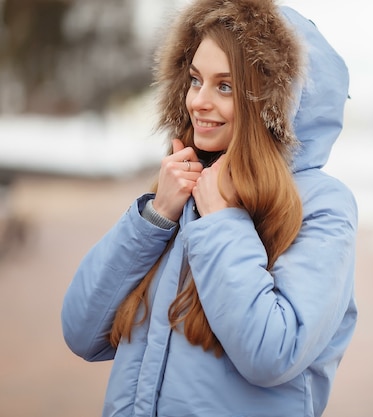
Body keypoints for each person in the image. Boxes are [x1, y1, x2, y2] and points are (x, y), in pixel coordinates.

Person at [61, 0, 357, 416]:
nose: (198, 101)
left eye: (225, 86)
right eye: (195, 80)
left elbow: (273, 353)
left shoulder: (321, 205)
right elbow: (81, 332)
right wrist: (155, 217)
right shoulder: (182, 191)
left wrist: (222, 222)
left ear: (274, 106)